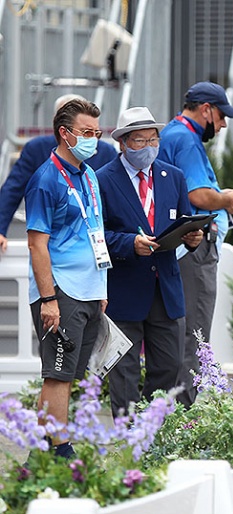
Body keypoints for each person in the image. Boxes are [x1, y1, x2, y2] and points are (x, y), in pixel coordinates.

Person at [96, 107, 203, 417]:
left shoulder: (173, 176)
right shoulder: (102, 180)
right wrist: (129, 244)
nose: (148, 147)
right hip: (125, 289)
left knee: (170, 365)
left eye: (153, 139)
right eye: (139, 141)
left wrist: (192, 238)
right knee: (124, 372)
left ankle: (152, 427)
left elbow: (184, 223)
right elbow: (98, 234)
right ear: (123, 143)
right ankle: (130, 439)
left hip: (166, 288)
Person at [25, 98, 111, 459]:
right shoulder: (46, 180)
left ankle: (39, 451)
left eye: (97, 132)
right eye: (86, 132)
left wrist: (101, 289)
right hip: (61, 291)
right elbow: (36, 245)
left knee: (68, 374)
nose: (93, 139)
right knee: (57, 374)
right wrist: (48, 299)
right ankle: (60, 448)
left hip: (89, 289)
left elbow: (96, 231)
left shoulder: (89, 175)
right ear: (65, 133)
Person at [158, 81, 233, 408]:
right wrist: (227, 199)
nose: (222, 125)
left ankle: (176, 410)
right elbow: (197, 195)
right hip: (192, 247)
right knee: (194, 337)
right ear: (206, 109)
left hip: (183, 247)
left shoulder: (174, 134)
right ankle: (185, 415)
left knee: (185, 334)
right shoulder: (185, 139)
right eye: (221, 116)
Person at [0, 94, 117, 252]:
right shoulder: (37, 150)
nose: (91, 138)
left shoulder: (105, 152)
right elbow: (12, 190)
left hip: (97, 245)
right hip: (56, 243)